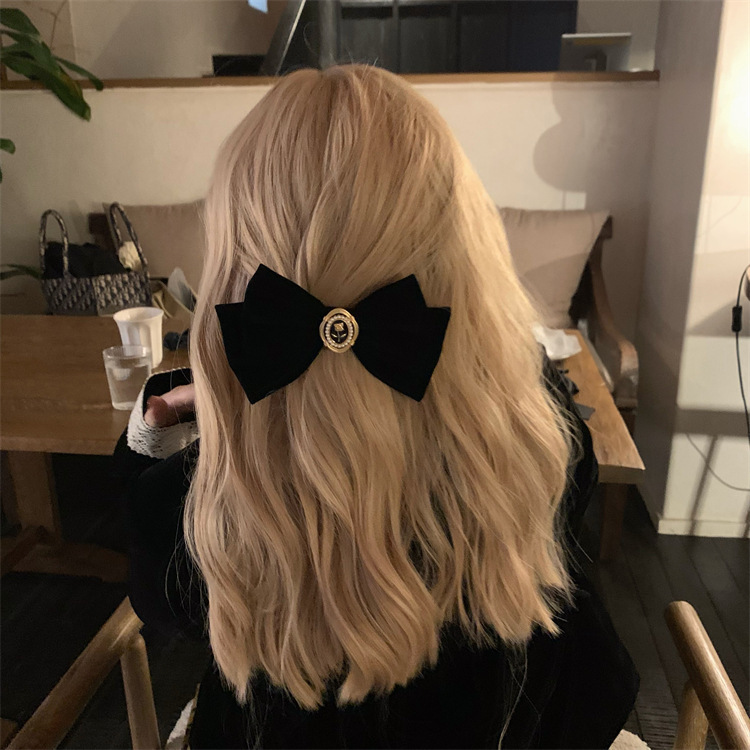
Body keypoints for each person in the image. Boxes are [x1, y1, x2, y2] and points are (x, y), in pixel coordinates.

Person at [114, 64, 638, 749]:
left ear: (236, 270)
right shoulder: (540, 453)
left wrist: (158, 433)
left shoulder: (191, 513)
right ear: (463, 255)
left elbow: (153, 587)